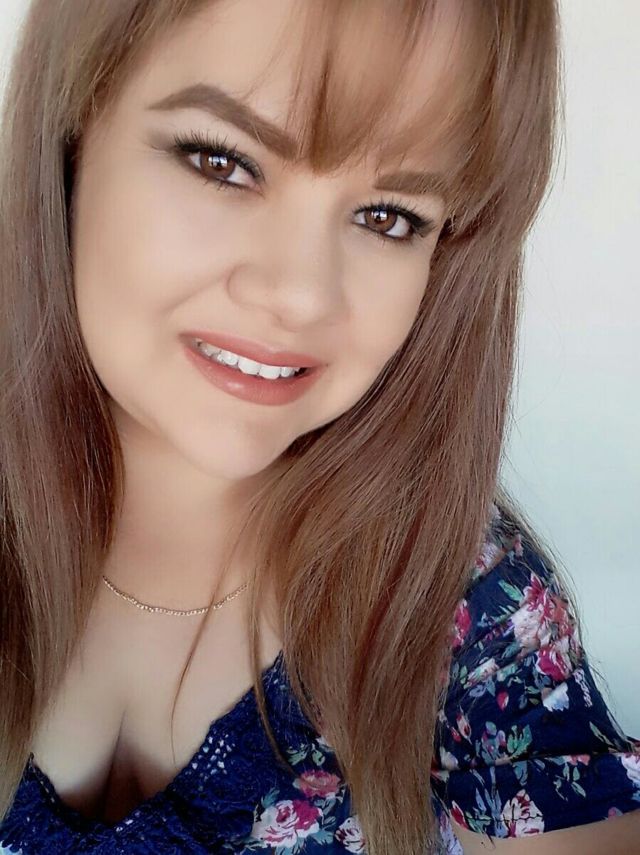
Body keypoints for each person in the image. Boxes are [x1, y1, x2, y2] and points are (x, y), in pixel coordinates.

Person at [0, 0, 638, 852]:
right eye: (223, 161)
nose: (303, 295)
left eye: (388, 216)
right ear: (74, 140)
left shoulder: (471, 612)